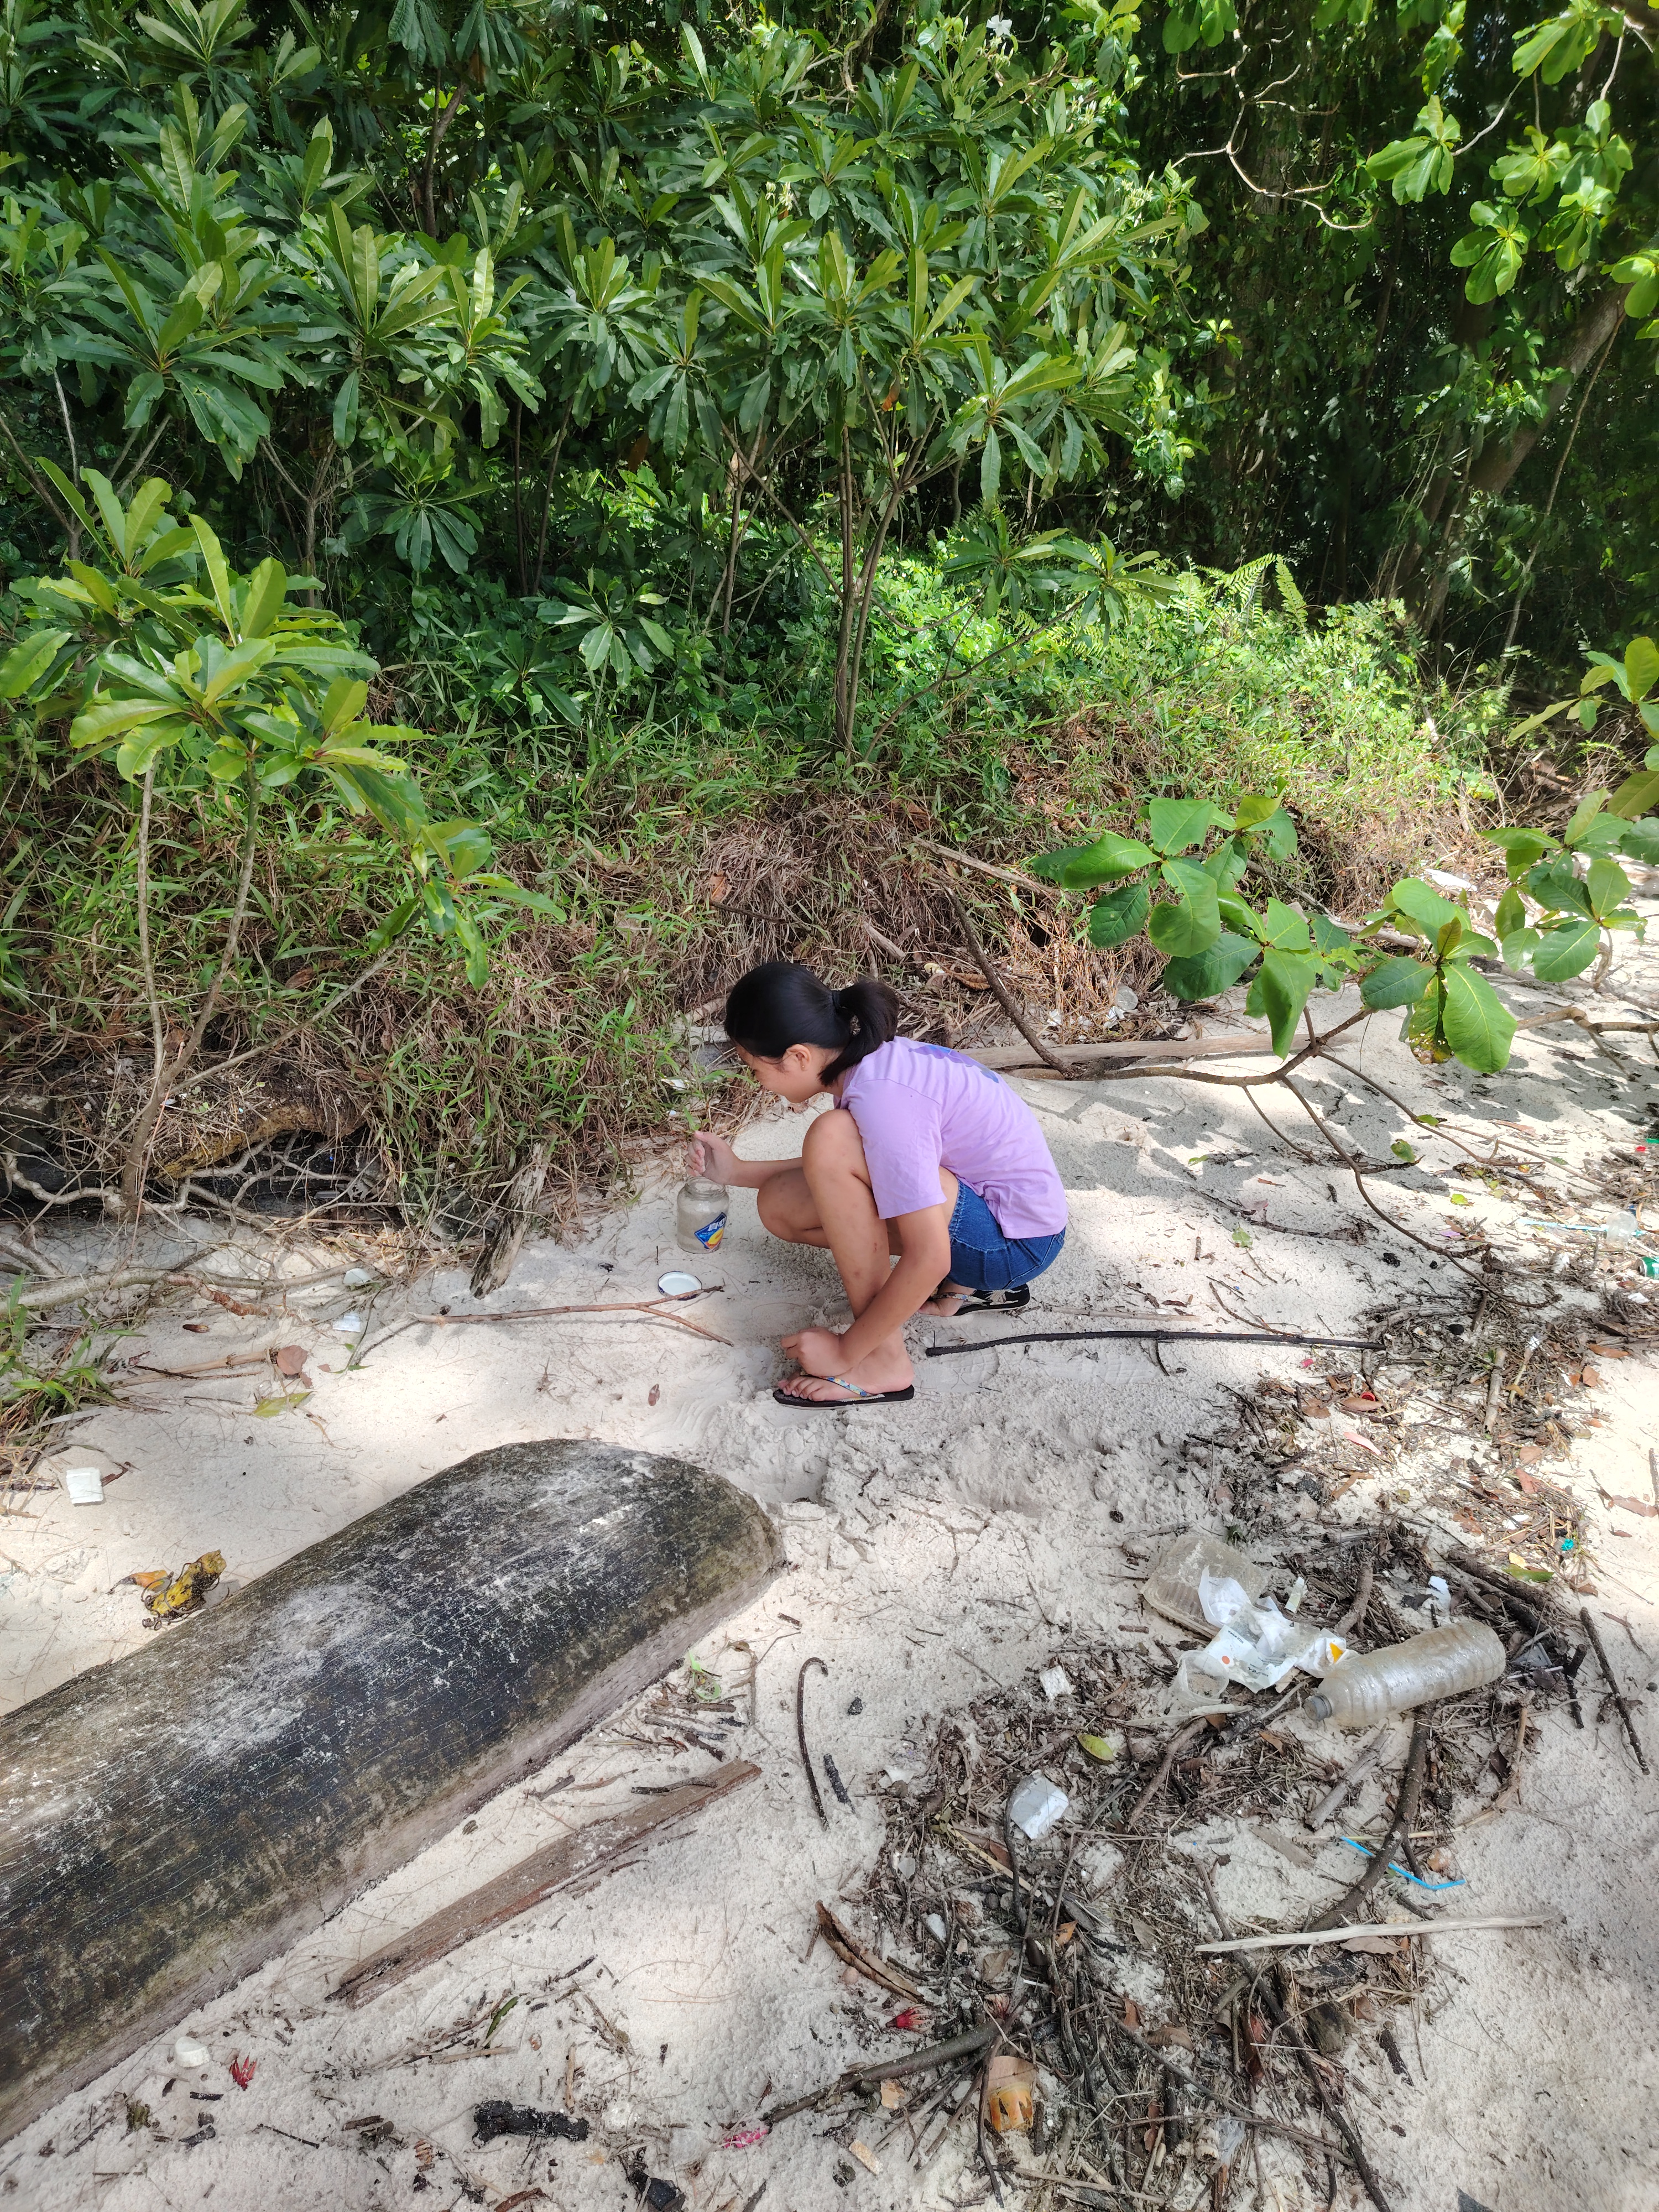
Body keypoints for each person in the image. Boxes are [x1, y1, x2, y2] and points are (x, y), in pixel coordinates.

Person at [688, 960, 1067, 1407]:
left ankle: (884, 1362)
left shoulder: (884, 1097)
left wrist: (846, 1350)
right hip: (996, 1218)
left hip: (1012, 1246)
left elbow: (928, 1254)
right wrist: (736, 1173)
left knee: (830, 1136)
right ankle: (961, 1290)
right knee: (780, 1204)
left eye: (755, 1067)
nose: (756, 1079)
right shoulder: (871, 1064)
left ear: (798, 1057)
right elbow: (873, 1161)